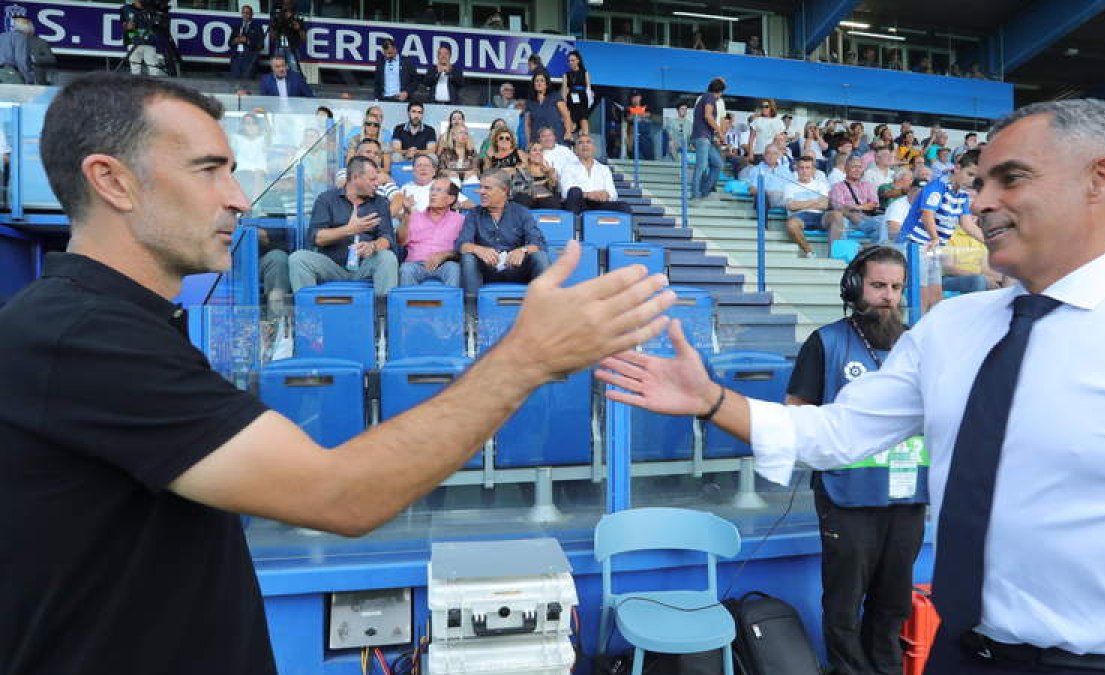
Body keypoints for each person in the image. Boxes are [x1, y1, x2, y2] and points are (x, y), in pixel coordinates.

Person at [0, 72, 673, 674]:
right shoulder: (81, 337)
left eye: (233, 169)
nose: (238, 198)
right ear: (112, 179)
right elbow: (342, 494)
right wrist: (527, 355)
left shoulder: (118, 326)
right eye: (210, 170)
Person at [597, 98, 1105, 675]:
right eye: (979, 181)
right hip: (961, 655)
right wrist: (713, 400)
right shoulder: (951, 329)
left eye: (1009, 179)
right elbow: (838, 432)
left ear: (1101, 179)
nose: (980, 202)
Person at [784, 245, 926, 675]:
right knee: (844, 606)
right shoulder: (826, 342)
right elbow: (797, 411)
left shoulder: (919, 345)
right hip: (846, 497)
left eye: (896, 287)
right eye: (878, 285)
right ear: (853, 287)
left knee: (894, 604)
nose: (888, 296)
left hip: (908, 496)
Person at [288, 155, 400, 297]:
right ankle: (310, 315)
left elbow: (387, 238)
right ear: (355, 178)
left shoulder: (380, 202)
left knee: (387, 258)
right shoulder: (326, 199)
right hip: (332, 265)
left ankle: (382, 315)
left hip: (365, 266)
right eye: (372, 179)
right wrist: (349, 230)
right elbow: (317, 237)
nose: (377, 184)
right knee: (298, 259)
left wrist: (373, 246)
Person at [897, 149, 985, 311]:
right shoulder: (937, 186)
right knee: (921, 296)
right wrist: (935, 237)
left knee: (936, 297)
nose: (972, 181)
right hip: (915, 244)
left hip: (933, 247)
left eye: (976, 177)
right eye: (970, 174)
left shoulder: (963, 195)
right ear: (957, 168)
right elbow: (927, 214)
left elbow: (967, 224)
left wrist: (990, 243)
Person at [456, 169, 550, 300]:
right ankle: (472, 314)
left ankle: (542, 307)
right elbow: (461, 244)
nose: (481, 192)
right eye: (481, 187)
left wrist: (523, 250)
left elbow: (539, 243)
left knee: (540, 257)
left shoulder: (521, 212)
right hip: (487, 269)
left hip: (516, 268)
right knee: (468, 258)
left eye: (487, 188)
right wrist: (478, 249)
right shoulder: (474, 214)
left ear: (504, 190)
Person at [398, 177, 464, 287]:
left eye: (439, 190)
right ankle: (410, 303)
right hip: (415, 264)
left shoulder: (460, 220)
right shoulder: (414, 216)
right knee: (406, 269)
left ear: (451, 199)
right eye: (432, 190)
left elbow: (463, 249)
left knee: (454, 268)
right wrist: (406, 215)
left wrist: (445, 255)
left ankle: (449, 303)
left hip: (444, 264)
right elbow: (401, 241)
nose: (433, 194)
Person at [560, 135, 627, 214]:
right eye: (580, 143)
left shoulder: (604, 169)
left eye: (588, 142)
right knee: (575, 191)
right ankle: (573, 225)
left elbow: (613, 194)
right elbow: (565, 193)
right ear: (575, 150)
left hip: (599, 204)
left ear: (594, 148)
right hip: (580, 203)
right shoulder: (568, 167)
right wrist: (588, 195)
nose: (585, 145)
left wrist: (606, 194)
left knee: (624, 206)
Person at [782, 156, 829, 258]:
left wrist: (800, 204)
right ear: (797, 170)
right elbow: (791, 206)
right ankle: (810, 252)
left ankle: (836, 254)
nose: (804, 171)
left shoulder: (821, 185)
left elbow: (825, 205)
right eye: (801, 168)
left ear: (813, 170)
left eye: (808, 168)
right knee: (791, 225)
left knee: (837, 216)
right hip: (800, 217)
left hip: (820, 216)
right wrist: (815, 201)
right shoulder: (789, 186)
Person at [690, 77, 725, 201]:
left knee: (718, 164)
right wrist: (720, 131)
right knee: (702, 166)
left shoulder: (706, 97)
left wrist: (714, 134)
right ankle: (695, 194)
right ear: (719, 91)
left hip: (706, 137)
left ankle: (704, 192)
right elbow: (708, 116)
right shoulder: (709, 97)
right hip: (702, 137)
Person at [525, 70, 569, 151]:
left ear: (546, 84)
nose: (539, 83)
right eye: (537, 81)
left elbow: (566, 116)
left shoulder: (555, 96)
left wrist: (568, 133)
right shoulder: (530, 102)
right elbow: (528, 124)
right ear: (533, 84)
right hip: (537, 142)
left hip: (557, 140)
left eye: (542, 81)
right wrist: (529, 142)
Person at [120, 0, 163, 76]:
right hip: (133, 42)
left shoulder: (152, 9)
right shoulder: (126, 8)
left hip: (149, 43)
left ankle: (155, 87)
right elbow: (124, 24)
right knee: (135, 69)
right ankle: (135, 86)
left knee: (155, 69)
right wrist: (128, 26)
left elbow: (158, 26)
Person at [373, 38, 416, 102]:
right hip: (384, 99)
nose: (387, 56)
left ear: (395, 49)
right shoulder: (380, 63)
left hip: (402, 99)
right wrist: (377, 97)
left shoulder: (406, 62)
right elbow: (377, 83)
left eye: (390, 53)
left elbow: (416, 80)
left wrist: (407, 92)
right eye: (385, 53)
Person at [561, 50, 592, 139]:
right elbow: (564, 90)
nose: (571, 62)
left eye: (573, 60)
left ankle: (585, 141)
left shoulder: (585, 72)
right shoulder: (566, 75)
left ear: (578, 60)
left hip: (583, 99)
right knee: (570, 125)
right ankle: (570, 144)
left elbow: (588, 88)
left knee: (584, 122)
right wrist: (564, 104)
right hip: (571, 99)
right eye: (569, 61)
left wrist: (589, 101)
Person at [227, 5, 263, 80]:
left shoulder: (257, 27)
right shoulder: (237, 26)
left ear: (252, 14)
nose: (245, 15)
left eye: (247, 13)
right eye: (243, 13)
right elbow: (229, 43)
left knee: (247, 83)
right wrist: (235, 41)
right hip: (236, 58)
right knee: (234, 82)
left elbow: (261, 45)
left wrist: (247, 41)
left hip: (249, 59)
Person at [268, 0, 305, 72]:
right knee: (277, 71)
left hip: (292, 49)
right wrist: (274, 26)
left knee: (294, 71)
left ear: (292, 5)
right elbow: (272, 38)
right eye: (284, 4)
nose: (286, 6)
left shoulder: (297, 19)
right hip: (279, 48)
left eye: (289, 4)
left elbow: (304, 39)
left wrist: (299, 28)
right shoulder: (277, 18)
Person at [0, 15, 35, 84]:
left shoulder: (2, 35)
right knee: (19, 93)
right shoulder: (21, 37)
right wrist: (28, 78)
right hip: (9, 72)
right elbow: (21, 60)